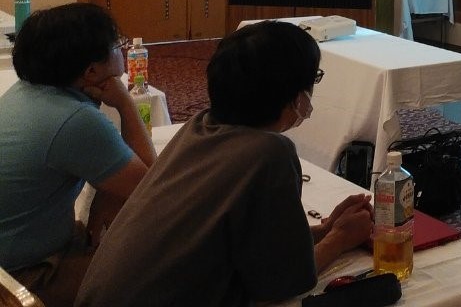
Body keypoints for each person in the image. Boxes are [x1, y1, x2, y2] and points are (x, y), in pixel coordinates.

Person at [76, 21, 373, 307]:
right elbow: (280, 285)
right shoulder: (269, 152)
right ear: (296, 96)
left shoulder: (199, 126)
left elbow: (255, 247)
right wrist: (340, 239)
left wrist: (325, 228)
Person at [0, 3, 157, 307]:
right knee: (161, 268)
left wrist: (107, 193)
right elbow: (150, 187)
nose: (122, 49)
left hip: (17, 252)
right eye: (117, 44)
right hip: (20, 276)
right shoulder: (75, 120)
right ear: (91, 71)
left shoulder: (25, 91)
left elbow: (118, 173)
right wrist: (125, 104)